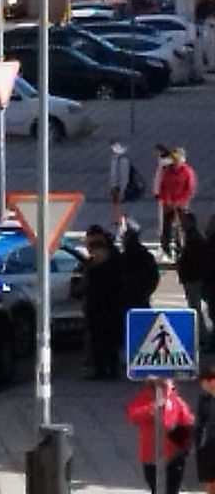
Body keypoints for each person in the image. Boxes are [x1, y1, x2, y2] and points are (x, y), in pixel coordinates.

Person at [127, 378, 194, 494]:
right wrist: (153, 408)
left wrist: (182, 439)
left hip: (173, 458)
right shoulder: (144, 397)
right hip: (151, 458)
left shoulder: (176, 400)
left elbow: (188, 422)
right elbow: (133, 416)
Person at [80, 233, 126, 379]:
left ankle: (105, 369)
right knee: (105, 341)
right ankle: (107, 369)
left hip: (103, 308)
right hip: (107, 308)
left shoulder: (98, 267)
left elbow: (88, 287)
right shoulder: (113, 263)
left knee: (103, 340)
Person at [179, 213, 211, 344]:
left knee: (195, 309)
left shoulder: (193, 239)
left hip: (193, 278)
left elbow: (192, 260)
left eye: (184, 222)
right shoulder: (193, 237)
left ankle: (202, 337)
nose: (182, 225)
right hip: (193, 277)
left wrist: (184, 268)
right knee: (195, 308)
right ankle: (201, 336)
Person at [161, 149, 199, 259]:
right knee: (167, 226)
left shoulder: (187, 171)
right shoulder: (167, 171)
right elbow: (163, 187)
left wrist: (180, 201)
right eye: (174, 160)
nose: (175, 163)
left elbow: (190, 189)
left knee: (181, 227)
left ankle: (181, 248)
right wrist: (167, 199)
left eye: (177, 160)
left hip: (181, 204)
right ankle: (166, 248)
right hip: (168, 204)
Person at [123, 227, 163, 311]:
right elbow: (154, 276)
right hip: (142, 293)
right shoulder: (146, 255)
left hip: (132, 294)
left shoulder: (125, 257)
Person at [195, 361, 215, 494]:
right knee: (209, 484)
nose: (202, 386)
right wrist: (197, 445)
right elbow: (200, 423)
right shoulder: (204, 399)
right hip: (208, 447)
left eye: (203, 382)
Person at [110, 142, 135, 235]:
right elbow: (113, 175)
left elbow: (124, 177)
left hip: (119, 187)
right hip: (115, 187)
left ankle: (124, 224)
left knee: (120, 207)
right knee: (116, 206)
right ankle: (120, 222)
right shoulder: (114, 159)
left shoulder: (123, 160)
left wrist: (122, 189)